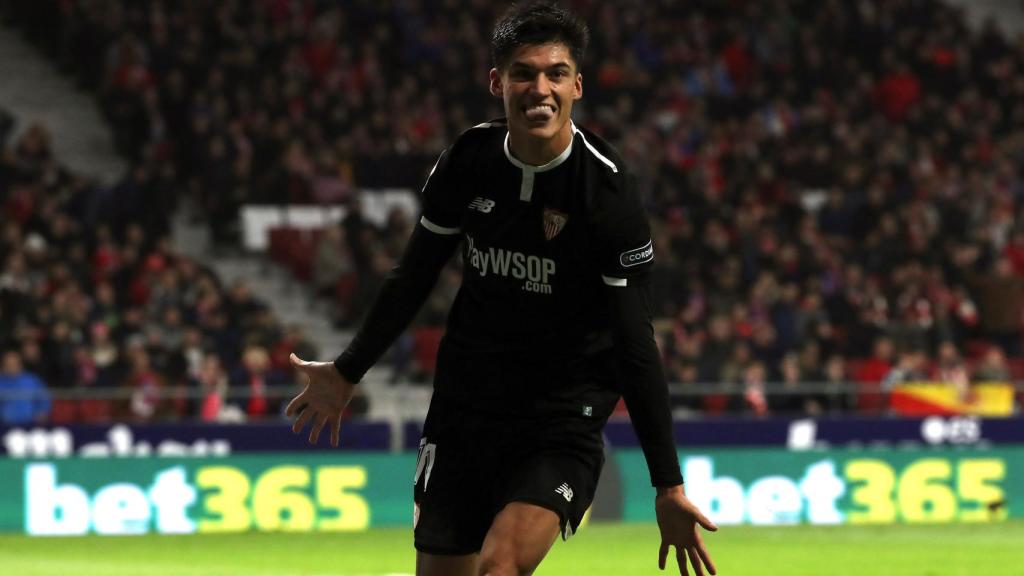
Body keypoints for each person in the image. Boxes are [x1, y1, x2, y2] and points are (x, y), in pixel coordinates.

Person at [287, 3, 717, 575]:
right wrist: (347, 370)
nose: (540, 88)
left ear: (577, 86)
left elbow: (635, 342)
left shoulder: (607, 194)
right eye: (523, 72)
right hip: (467, 403)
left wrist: (667, 483)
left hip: (562, 413)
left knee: (501, 567)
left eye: (556, 73)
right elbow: (412, 277)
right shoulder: (469, 160)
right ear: (498, 82)